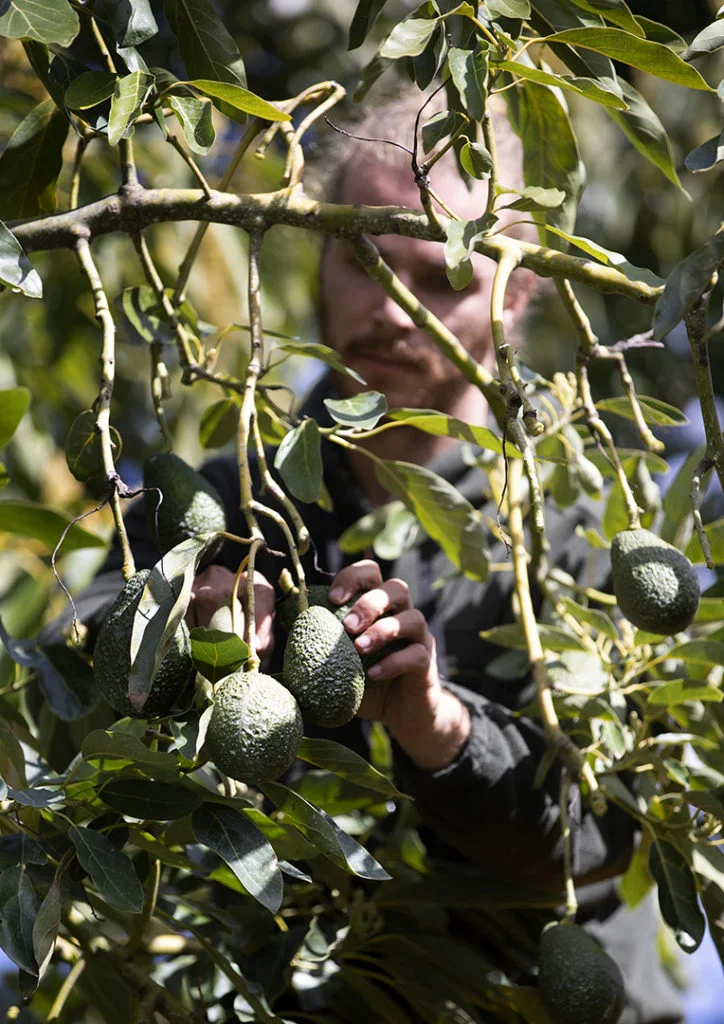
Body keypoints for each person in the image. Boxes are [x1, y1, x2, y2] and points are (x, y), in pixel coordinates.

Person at [58, 92, 684, 1022]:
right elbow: (82, 662)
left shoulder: (588, 533)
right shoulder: (223, 495)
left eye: (439, 278)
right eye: (365, 259)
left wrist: (439, 730)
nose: (392, 309)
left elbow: (613, 840)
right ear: (319, 247)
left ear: (516, 293)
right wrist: (174, 621)